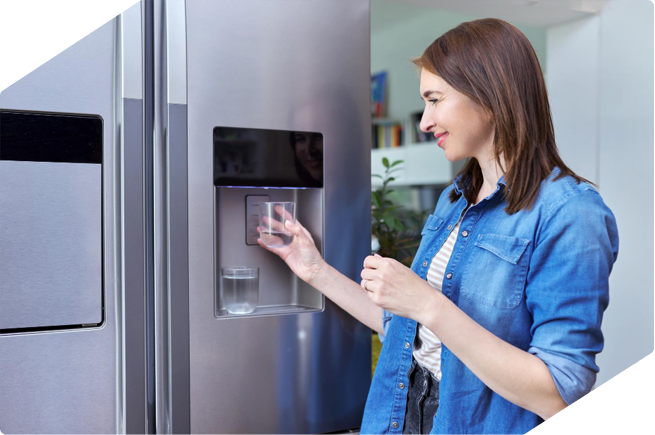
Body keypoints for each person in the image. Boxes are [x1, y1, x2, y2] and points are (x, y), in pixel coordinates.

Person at [258, 18, 619, 435]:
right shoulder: (456, 198)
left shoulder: (571, 214)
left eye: (435, 99)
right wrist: (313, 269)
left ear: (490, 94)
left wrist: (429, 304)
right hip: (402, 415)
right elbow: (406, 328)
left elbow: (557, 397)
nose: (425, 121)